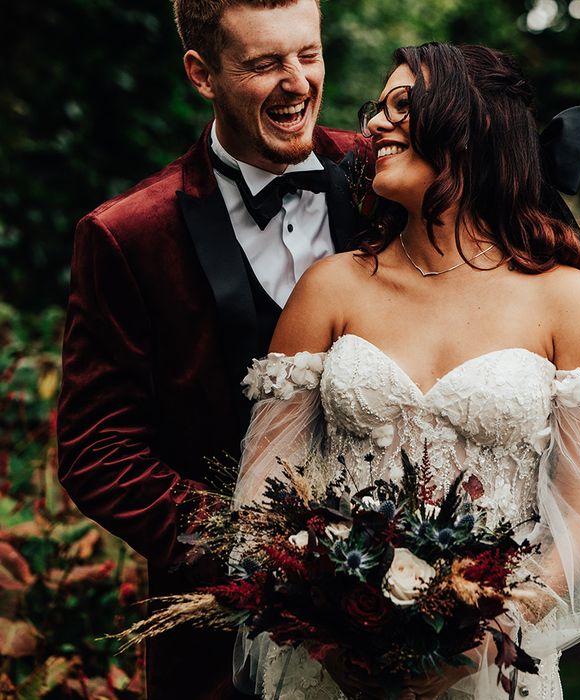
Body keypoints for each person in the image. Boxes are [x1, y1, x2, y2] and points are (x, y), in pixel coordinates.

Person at [232, 43, 580, 699]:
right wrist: (327, 629)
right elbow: (262, 485)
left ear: (471, 129)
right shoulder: (331, 288)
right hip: (330, 666)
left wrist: (484, 635)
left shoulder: (567, 300)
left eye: (403, 106)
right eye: (379, 107)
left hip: (490, 663)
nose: (373, 124)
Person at [56, 1, 365, 697]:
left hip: (414, 624)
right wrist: (255, 552)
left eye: (307, 55)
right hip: (220, 646)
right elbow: (96, 448)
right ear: (202, 73)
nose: (296, 83)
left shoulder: (391, 179)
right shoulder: (126, 235)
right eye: (264, 64)